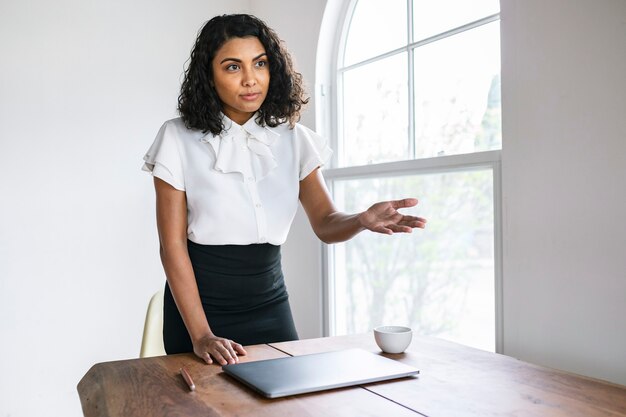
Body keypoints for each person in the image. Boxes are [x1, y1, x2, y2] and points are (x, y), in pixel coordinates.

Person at [142, 14, 426, 366]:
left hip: (269, 306)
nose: (250, 79)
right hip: (199, 312)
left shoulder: (296, 139)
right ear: (209, 75)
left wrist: (361, 220)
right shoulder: (176, 138)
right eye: (233, 67)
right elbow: (172, 247)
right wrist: (201, 335)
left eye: (259, 64)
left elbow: (326, 223)